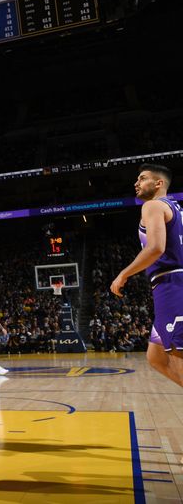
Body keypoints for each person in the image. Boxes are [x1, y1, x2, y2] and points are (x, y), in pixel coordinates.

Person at [110, 164, 183, 386]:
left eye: (142, 178)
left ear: (159, 183)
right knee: (156, 356)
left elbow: (156, 248)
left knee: (178, 357)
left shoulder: (153, 206)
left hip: (172, 284)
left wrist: (123, 274)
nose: (136, 183)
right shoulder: (177, 208)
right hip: (173, 283)